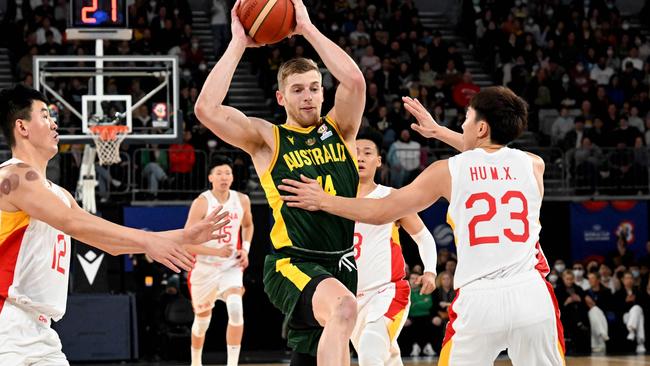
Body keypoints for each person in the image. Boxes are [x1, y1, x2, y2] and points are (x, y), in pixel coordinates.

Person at [278, 86, 566, 365]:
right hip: (531, 294)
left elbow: (381, 211)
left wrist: (324, 200)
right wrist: (438, 131)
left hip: (479, 301)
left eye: (466, 118)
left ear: (480, 128)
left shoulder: (447, 170)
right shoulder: (533, 165)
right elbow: (489, 153)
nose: (462, 126)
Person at [0, 84, 230, 365]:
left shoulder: (59, 195)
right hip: (7, 323)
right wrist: (148, 241)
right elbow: (71, 222)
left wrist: (182, 235)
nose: (54, 123)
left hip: (40, 331)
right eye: (45, 116)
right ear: (22, 127)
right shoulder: (14, 176)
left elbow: (107, 242)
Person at [193, 0, 366, 364]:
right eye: (298, 89)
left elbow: (353, 81)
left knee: (318, 348)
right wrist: (238, 41)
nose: (308, 97)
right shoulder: (267, 139)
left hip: (341, 263)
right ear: (281, 97)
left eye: (315, 88)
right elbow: (206, 110)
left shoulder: (342, 130)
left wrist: (306, 27)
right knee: (345, 310)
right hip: (292, 263)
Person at [350, 132, 437, 365]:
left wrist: (430, 270)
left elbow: (423, 237)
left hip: (387, 291)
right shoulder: (334, 199)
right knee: (386, 358)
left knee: (370, 352)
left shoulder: (390, 196)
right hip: (350, 299)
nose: (360, 157)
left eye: (367, 153)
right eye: (355, 152)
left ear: (378, 161)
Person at [185, 156, 254, 366]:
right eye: (219, 173)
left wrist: (245, 249)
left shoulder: (242, 200)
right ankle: (196, 362)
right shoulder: (202, 202)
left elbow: (248, 226)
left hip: (230, 266)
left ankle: (232, 364)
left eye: (228, 173)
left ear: (232, 177)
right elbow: (185, 243)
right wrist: (216, 253)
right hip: (204, 267)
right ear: (210, 177)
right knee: (202, 323)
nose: (224, 177)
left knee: (235, 307)